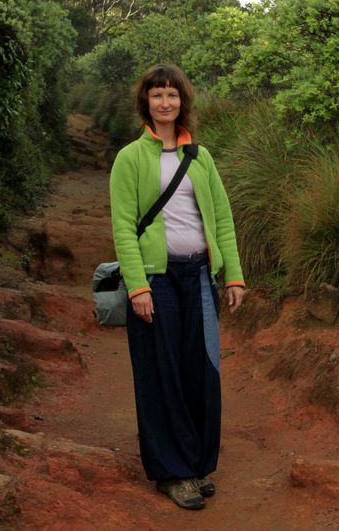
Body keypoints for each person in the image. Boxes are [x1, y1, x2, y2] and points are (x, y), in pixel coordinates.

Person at [109, 63, 245, 510]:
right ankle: (172, 472)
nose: (164, 103)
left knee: (202, 370)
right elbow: (124, 228)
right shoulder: (130, 158)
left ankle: (197, 463)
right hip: (155, 279)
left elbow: (221, 219)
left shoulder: (200, 157)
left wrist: (234, 274)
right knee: (160, 373)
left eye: (171, 95)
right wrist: (137, 287)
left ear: (182, 101)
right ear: (145, 103)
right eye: (156, 95)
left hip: (200, 275)